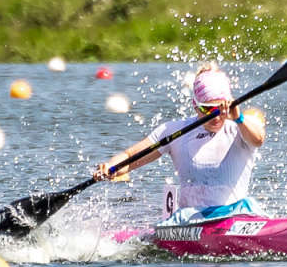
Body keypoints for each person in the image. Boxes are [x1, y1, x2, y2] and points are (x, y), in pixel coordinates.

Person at [93, 64, 266, 220]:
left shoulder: (240, 127)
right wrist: (110, 168)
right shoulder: (175, 131)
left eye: (220, 108)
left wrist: (239, 117)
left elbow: (258, 140)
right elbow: (130, 156)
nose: (216, 116)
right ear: (194, 105)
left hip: (234, 216)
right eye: (207, 109)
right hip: (190, 220)